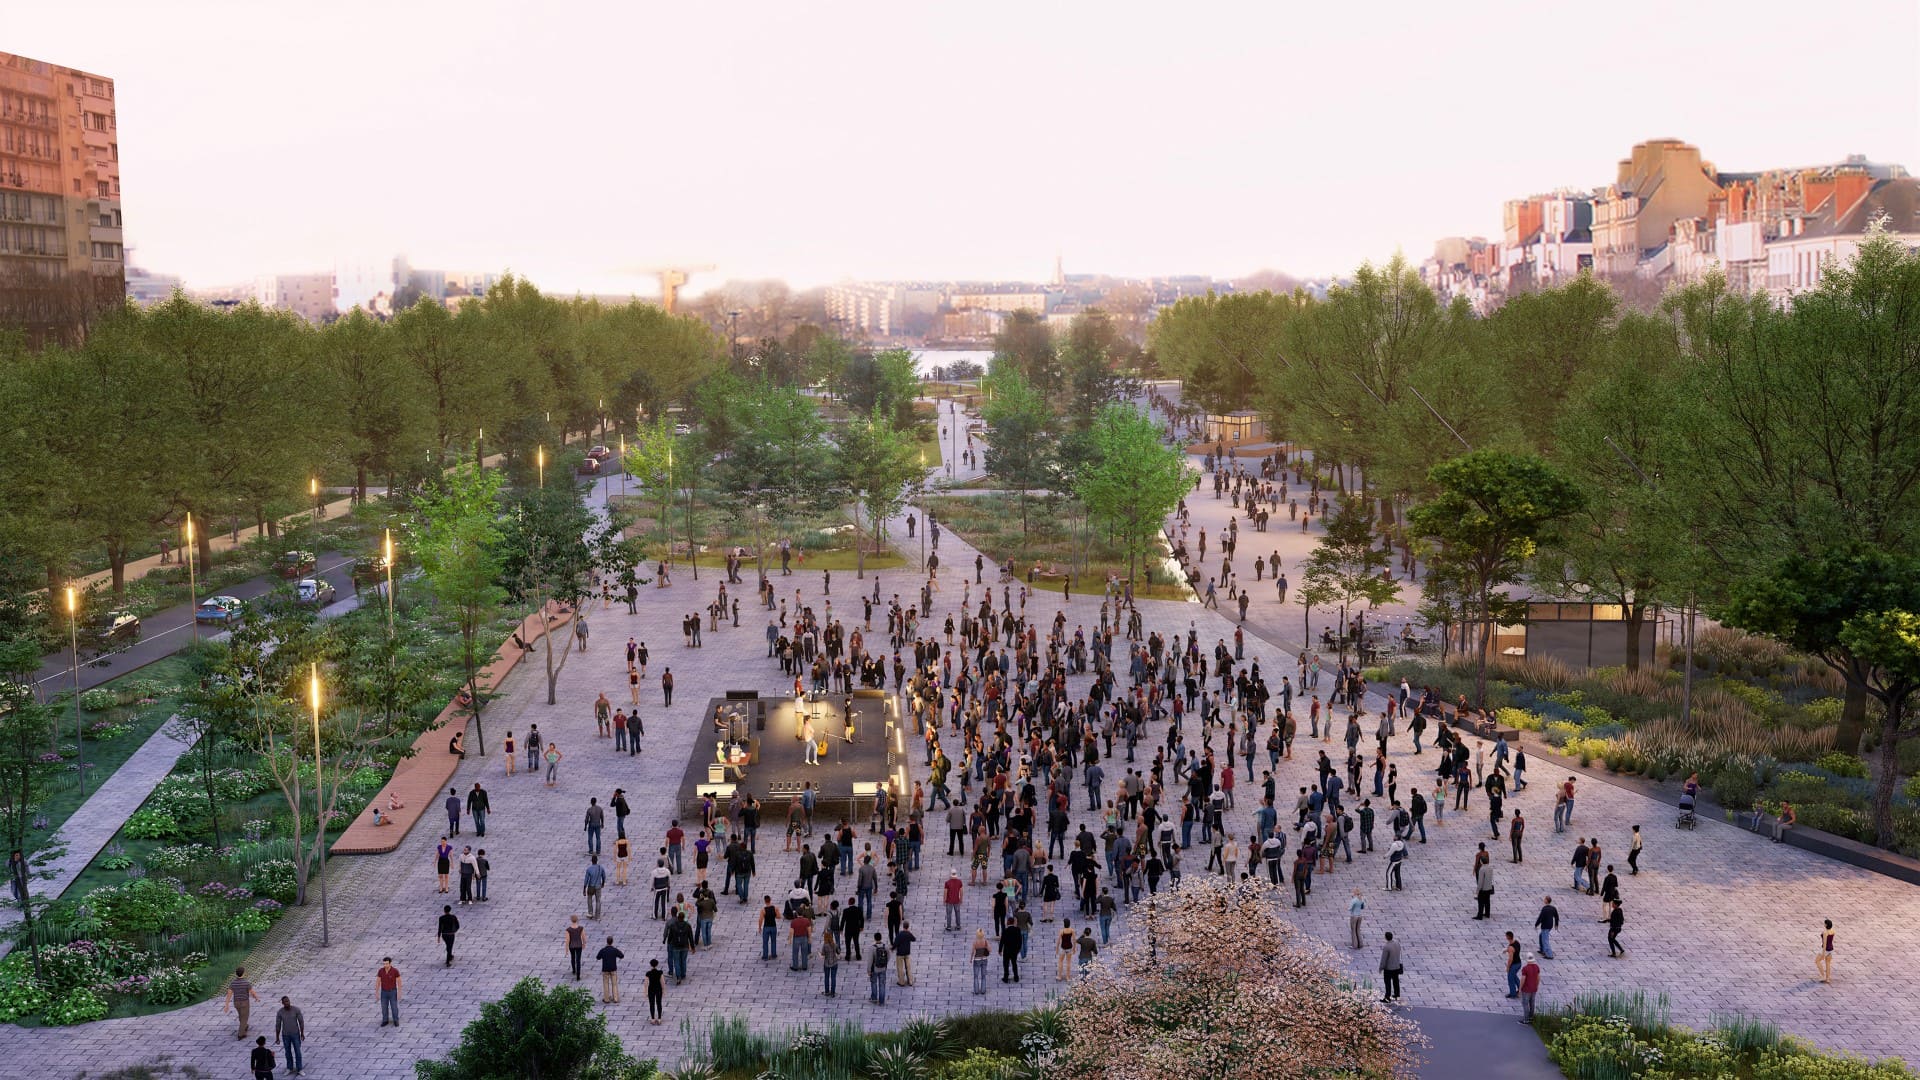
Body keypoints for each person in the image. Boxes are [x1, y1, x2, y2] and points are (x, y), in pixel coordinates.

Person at [224, 966, 260, 1039]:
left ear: (236, 974)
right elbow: (252, 992)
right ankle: (241, 1034)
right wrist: (256, 998)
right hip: (244, 1003)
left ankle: (245, 1026)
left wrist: (226, 1005)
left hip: (236, 1003)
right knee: (244, 1017)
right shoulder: (246, 983)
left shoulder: (233, 983)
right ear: (243, 974)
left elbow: (229, 994)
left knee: (241, 1015)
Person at [275, 996, 305, 1076]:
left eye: (288, 1001)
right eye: (285, 1002)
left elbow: (301, 1022)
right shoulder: (280, 1012)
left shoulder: (296, 1010)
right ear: (282, 1003)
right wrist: (277, 1037)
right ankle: (289, 1068)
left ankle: (300, 1068)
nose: (287, 1003)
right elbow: (278, 1025)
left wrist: (302, 1033)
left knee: (298, 1052)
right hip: (285, 1035)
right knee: (287, 1052)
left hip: (295, 1034)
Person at [597, 936, 625, 1003]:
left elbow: (598, 957)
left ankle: (606, 999)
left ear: (607, 941)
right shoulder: (614, 950)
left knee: (606, 984)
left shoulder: (603, 950)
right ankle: (615, 998)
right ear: (612, 942)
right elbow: (622, 956)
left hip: (605, 969)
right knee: (614, 984)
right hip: (613, 969)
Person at [377, 957, 401, 1027]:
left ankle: (396, 1020)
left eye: (387, 964)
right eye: (384, 964)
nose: (385, 965)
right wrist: (377, 992)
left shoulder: (395, 971)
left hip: (392, 992)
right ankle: (385, 1020)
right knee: (383, 1007)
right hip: (383, 992)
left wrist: (399, 992)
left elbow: (399, 982)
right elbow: (378, 981)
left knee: (394, 1007)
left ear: (390, 963)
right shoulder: (381, 971)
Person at [1379, 932, 1403, 1002]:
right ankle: (1397, 994)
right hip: (1397, 966)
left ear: (1386, 937)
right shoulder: (1397, 943)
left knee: (1387, 983)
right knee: (1396, 981)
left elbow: (1384, 959)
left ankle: (1387, 997)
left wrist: (1381, 967)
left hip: (1389, 968)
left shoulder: (1386, 947)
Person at [1519, 954, 1542, 1024]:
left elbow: (1523, 979)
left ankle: (1526, 1020)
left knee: (1525, 1004)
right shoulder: (1536, 967)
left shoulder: (1525, 968)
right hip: (1534, 988)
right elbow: (1538, 978)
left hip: (1526, 989)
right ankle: (1531, 1017)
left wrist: (1520, 988)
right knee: (1532, 1003)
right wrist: (1537, 985)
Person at [1535, 895, 1559, 960]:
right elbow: (1556, 916)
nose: (1544, 900)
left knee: (1545, 940)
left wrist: (1536, 924)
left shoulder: (1544, 909)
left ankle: (1549, 955)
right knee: (1541, 936)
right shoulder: (1553, 908)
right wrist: (1556, 924)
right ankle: (1542, 949)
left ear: (1546, 901)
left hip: (1545, 926)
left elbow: (1540, 917)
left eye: (1544, 899)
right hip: (1550, 925)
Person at [645, 958, 666, 1024]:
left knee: (652, 1004)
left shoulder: (648, 973)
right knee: (659, 1003)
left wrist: (645, 992)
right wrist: (663, 990)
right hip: (658, 989)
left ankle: (653, 1019)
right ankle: (659, 1018)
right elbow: (662, 982)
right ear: (657, 965)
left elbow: (646, 984)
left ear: (650, 965)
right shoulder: (660, 972)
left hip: (651, 989)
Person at [566, 915, 587, 980]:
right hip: (579, 945)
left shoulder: (568, 930)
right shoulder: (581, 928)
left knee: (573, 957)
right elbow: (584, 937)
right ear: (577, 920)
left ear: (571, 920)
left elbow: (567, 940)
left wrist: (566, 949)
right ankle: (578, 975)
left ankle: (574, 970)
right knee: (578, 960)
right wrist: (584, 943)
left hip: (571, 945)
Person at [971, 928, 991, 993]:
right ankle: (983, 990)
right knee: (983, 976)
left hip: (977, 960)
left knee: (976, 976)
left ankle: (976, 991)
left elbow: (973, 952)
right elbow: (990, 950)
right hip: (984, 959)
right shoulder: (985, 941)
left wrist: (971, 959)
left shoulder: (975, 942)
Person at [1817, 918, 1835, 984]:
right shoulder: (1833, 931)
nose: (1823, 924)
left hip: (1825, 949)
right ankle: (1828, 978)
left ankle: (1823, 976)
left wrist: (1823, 954)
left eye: (1824, 923)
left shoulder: (1825, 932)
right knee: (1828, 964)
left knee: (1817, 961)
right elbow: (1831, 940)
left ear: (1826, 925)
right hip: (1831, 949)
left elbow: (1824, 944)